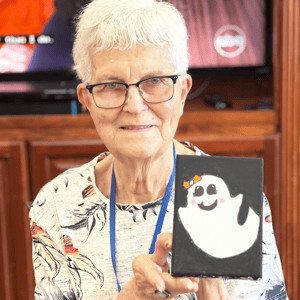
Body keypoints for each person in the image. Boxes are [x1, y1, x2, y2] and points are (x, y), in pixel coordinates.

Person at [29, 0, 288, 299]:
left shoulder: (234, 196)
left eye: (154, 81)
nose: (135, 107)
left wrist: (211, 288)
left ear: (182, 91)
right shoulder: (56, 204)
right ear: (86, 99)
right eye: (112, 85)